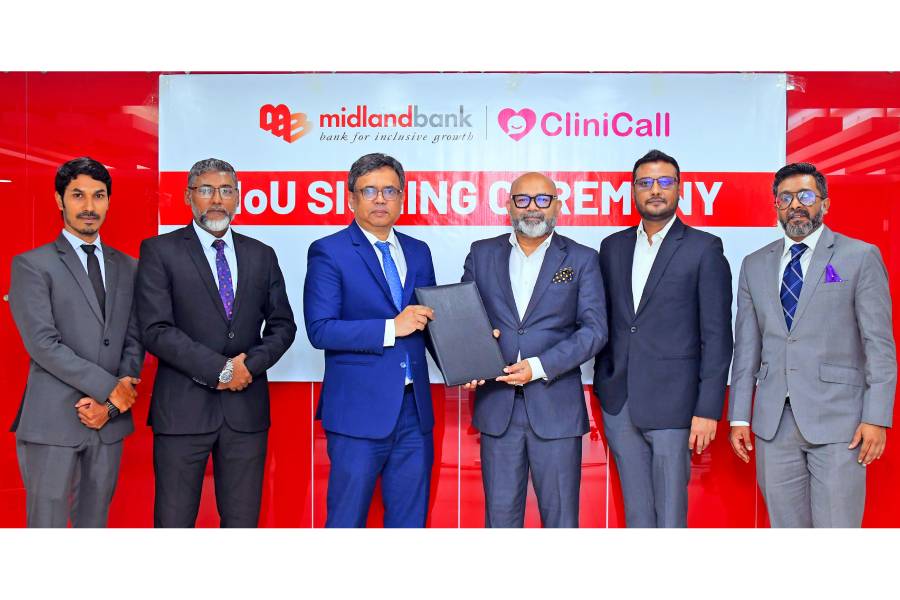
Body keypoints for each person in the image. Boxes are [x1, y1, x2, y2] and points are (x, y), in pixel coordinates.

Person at [729, 162, 896, 527]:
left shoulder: (860, 256)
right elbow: (746, 349)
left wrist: (876, 418)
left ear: (825, 203)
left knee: (836, 534)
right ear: (775, 206)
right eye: (785, 198)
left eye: (805, 196)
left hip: (840, 423)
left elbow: (879, 346)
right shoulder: (754, 265)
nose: (795, 205)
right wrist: (740, 416)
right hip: (774, 424)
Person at [136, 158, 296, 527]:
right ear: (188, 196)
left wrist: (247, 367)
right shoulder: (160, 251)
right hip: (182, 412)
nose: (217, 200)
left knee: (242, 523)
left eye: (226, 190)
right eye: (206, 190)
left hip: (246, 413)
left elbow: (283, 326)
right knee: (174, 523)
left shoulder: (261, 254)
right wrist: (221, 370)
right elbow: (156, 329)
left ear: (238, 197)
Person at [592, 149, 733, 527]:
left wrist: (708, 410)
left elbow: (718, 337)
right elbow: (605, 319)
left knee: (670, 515)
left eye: (665, 182)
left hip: (675, 405)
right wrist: (605, 381)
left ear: (680, 189)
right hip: (620, 402)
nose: (655, 190)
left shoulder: (704, 248)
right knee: (636, 514)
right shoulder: (612, 247)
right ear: (633, 191)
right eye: (645, 183)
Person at [461, 171, 607, 528]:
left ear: (557, 205)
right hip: (498, 410)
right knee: (500, 522)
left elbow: (595, 331)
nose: (532, 208)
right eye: (522, 199)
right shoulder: (482, 254)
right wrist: (468, 363)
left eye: (542, 199)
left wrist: (539, 366)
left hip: (556, 409)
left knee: (561, 523)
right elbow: (465, 322)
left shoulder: (582, 258)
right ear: (508, 205)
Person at [8, 157, 144, 527]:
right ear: (59, 200)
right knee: (48, 532)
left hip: (108, 424)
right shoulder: (32, 265)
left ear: (108, 201)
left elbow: (135, 338)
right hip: (52, 422)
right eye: (78, 195)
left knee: (92, 531)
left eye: (98, 196)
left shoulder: (130, 267)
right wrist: (111, 390)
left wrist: (112, 405)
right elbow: (43, 344)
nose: (88, 206)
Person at [304, 152, 437, 528]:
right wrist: (391, 327)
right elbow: (320, 329)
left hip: (414, 411)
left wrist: (471, 360)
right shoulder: (329, 251)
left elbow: (429, 322)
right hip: (357, 413)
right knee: (346, 522)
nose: (380, 199)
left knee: (410, 525)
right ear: (351, 198)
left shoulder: (418, 251)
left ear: (402, 198)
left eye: (390, 190)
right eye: (369, 191)